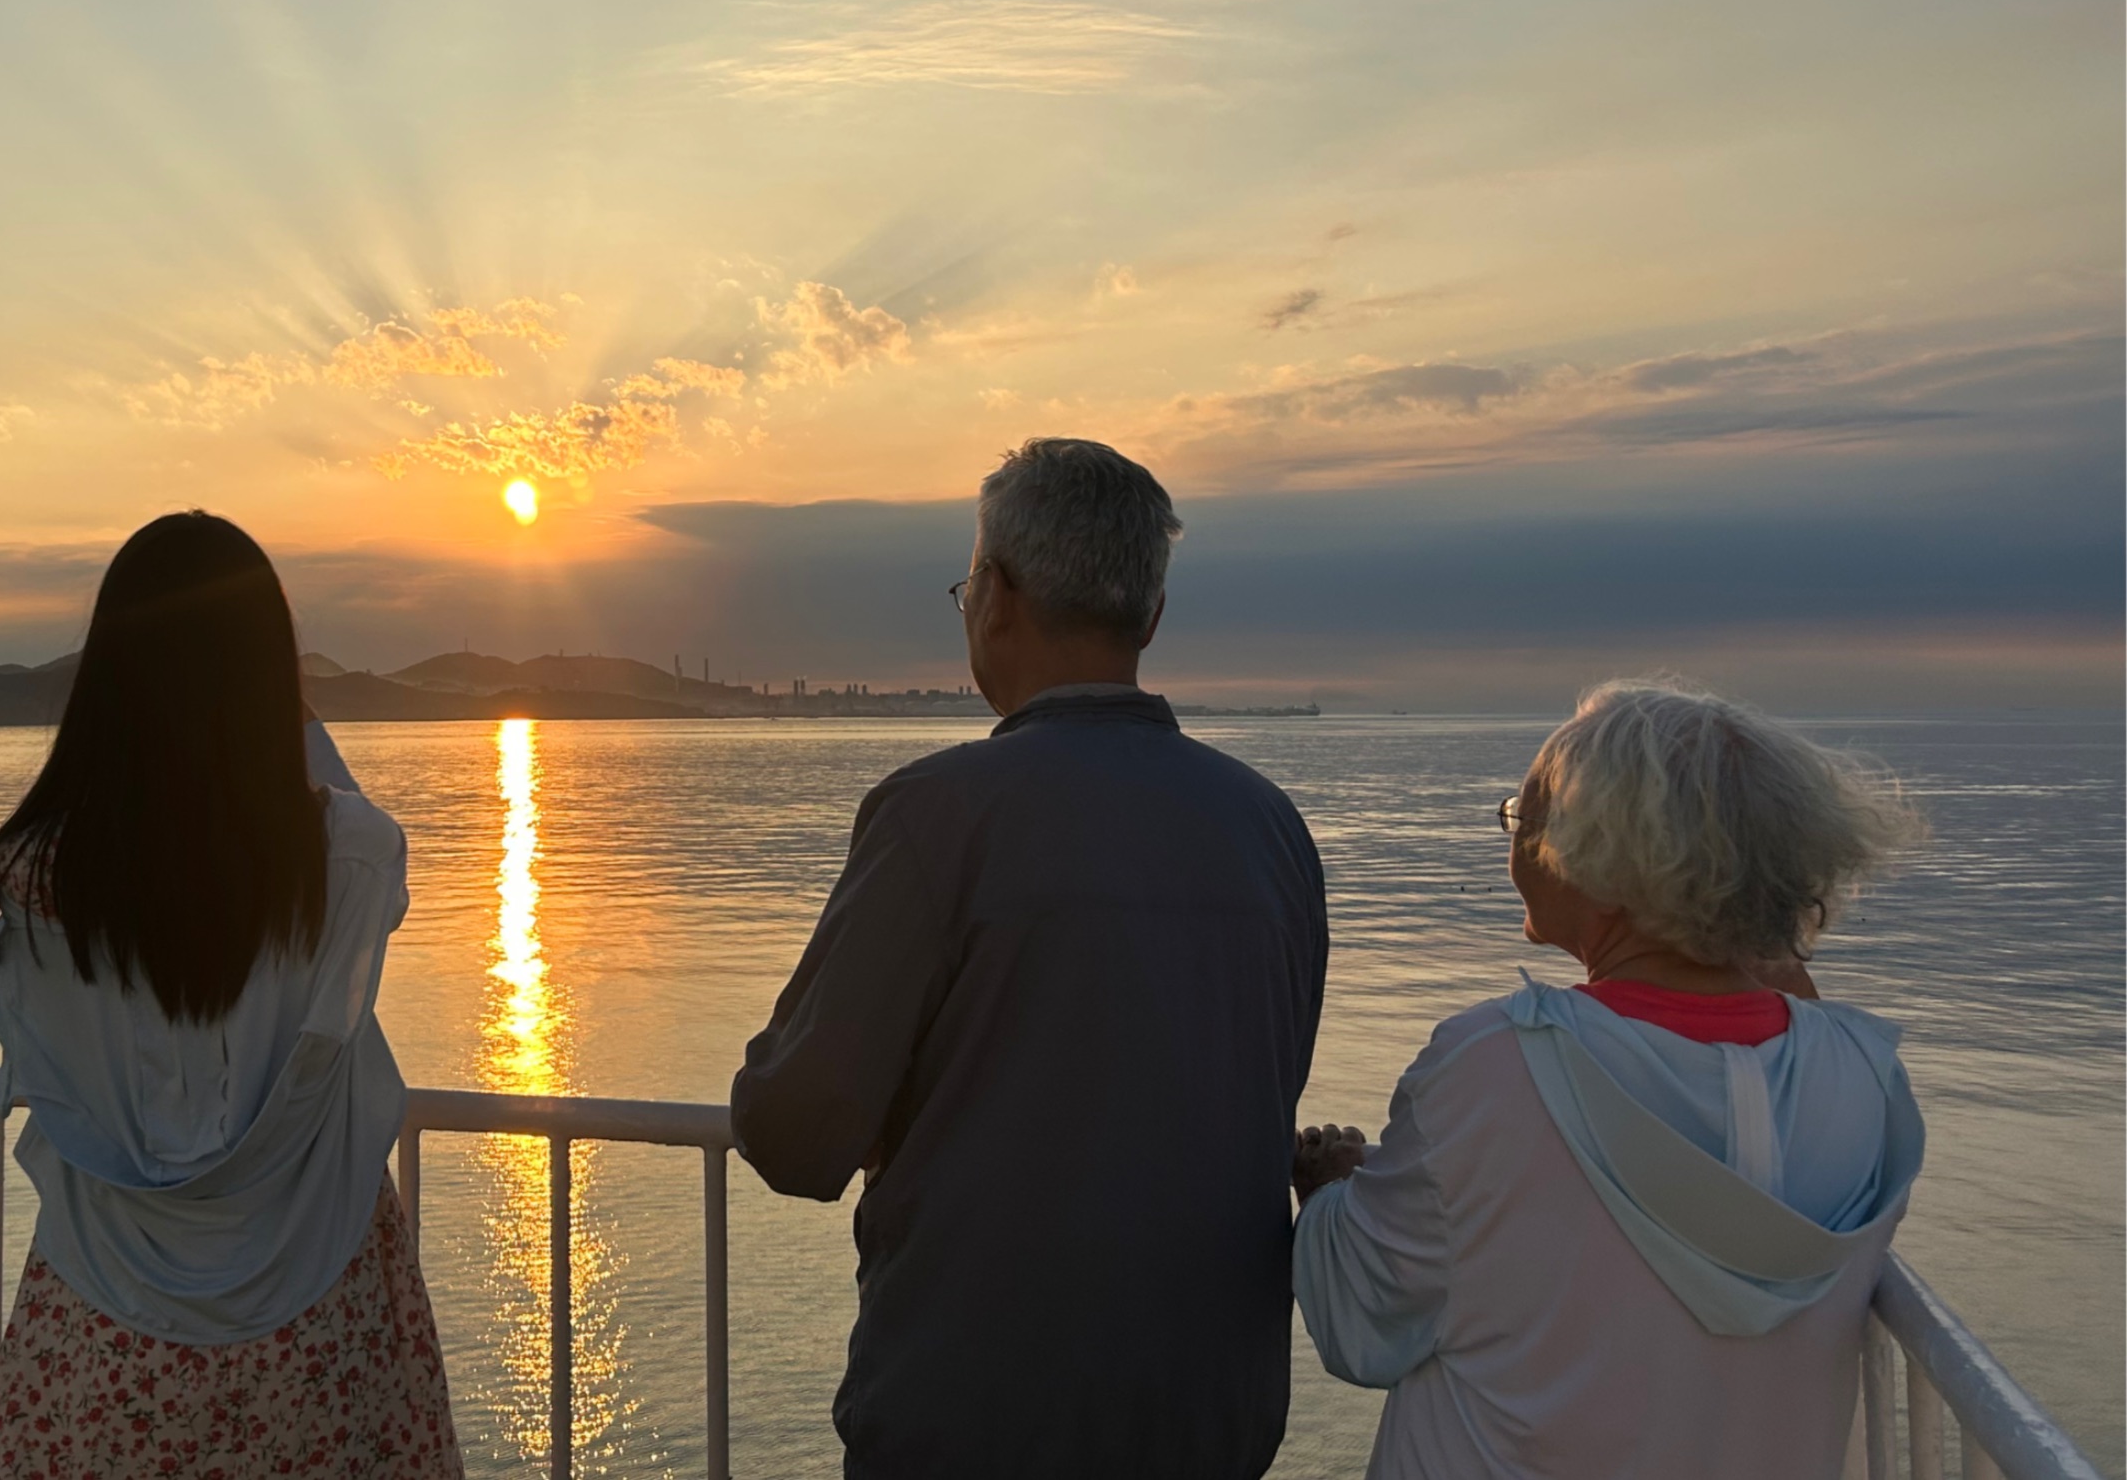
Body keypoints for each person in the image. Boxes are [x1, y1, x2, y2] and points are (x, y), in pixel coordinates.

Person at [733, 437, 1328, 1477]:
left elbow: (797, 1135)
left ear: (994, 596)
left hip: (978, 1423)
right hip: (1210, 1425)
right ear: (1150, 616)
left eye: (969, 583)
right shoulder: (1270, 831)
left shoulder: (936, 818)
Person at [1290, 680, 1926, 1479]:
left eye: (1523, 820)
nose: (1514, 842)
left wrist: (1326, 1192)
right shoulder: (1864, 1075)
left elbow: (1365, 1320)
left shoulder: (1493, 1065)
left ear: (1601, 855)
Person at [0, 512, 460, 1479]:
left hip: (102, 1325)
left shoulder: (29, 878)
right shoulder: (348, 858)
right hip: (323, 1318)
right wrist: (286, 724)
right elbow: (343, 818)